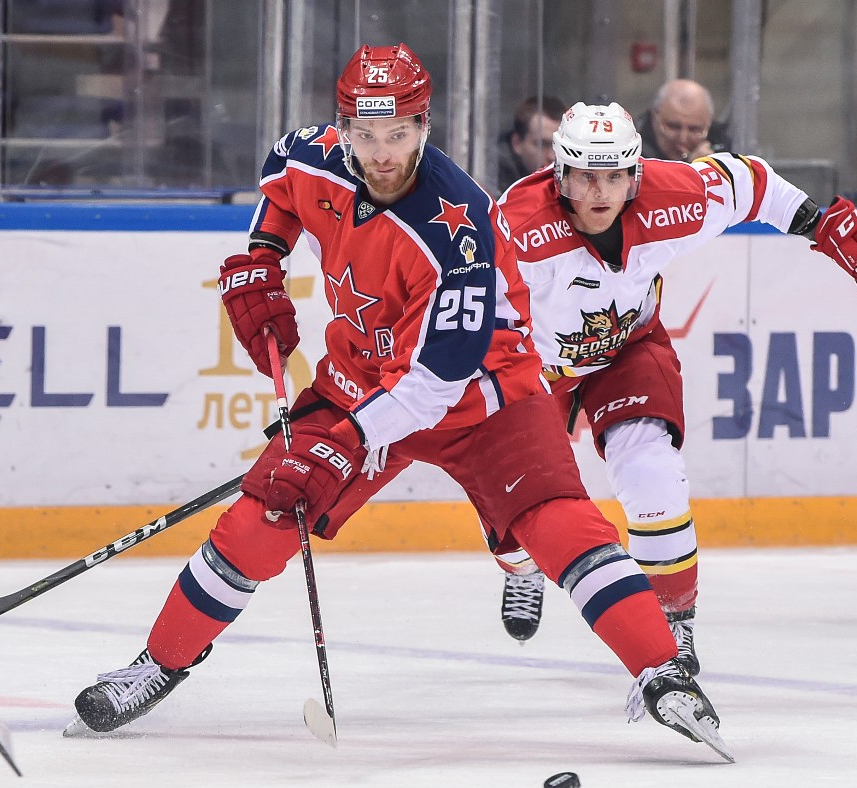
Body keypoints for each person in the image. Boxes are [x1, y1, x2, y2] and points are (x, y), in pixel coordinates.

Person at [65, 44, 731, 759]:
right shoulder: (317, 156)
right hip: (360, 379)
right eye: (366, 134)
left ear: (424, 126)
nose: (382, 153)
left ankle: (663, 671)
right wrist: (263, 256)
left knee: (559, 522)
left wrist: (346, 440)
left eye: (399, 134)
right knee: (264, 517)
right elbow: (281, 180)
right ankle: (158, 664)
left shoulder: (460, 231)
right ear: (343, 128)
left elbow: (436, 380)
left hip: (482, 394)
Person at [492, 101, 857, 668]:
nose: (600, 192)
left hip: (627, 349)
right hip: (532, 370)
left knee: (653, 476)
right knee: (518, 519)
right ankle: (521, 567)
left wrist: (820, 223)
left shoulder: (670, 196)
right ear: (559, 174)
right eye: (585, 176)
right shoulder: (517, 228)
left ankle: (673, 625)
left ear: (636, 173)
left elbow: (751, 182)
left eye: (614, 175)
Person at [637, 79, 729, 161]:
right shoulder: (634, 147)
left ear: (709, 123)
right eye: (673, 127)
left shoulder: (721, 142)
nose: (683, 138)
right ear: (654, 118)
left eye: (694, 129)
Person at [496, 95, 568, 193]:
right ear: (517, 143)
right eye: (542, 144)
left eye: (561, 146)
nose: (552, 156)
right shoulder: (494, 178)